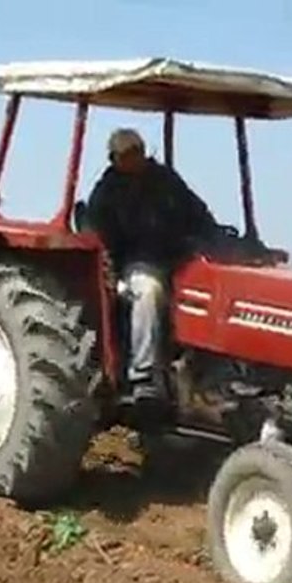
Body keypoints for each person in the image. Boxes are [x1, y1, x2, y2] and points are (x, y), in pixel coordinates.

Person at [85, 128, 218, 403]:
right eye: (126, 154)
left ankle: (211, 376)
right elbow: (95, 239)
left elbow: (198, 213)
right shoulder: (106, 194)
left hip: (177, 258)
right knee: (148, 290)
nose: (134, 159)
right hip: (134, 263)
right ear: (114, 159)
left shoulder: (166, 181)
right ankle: (143, 375)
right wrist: (110, 273)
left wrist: (216, 240)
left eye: (137, 152)